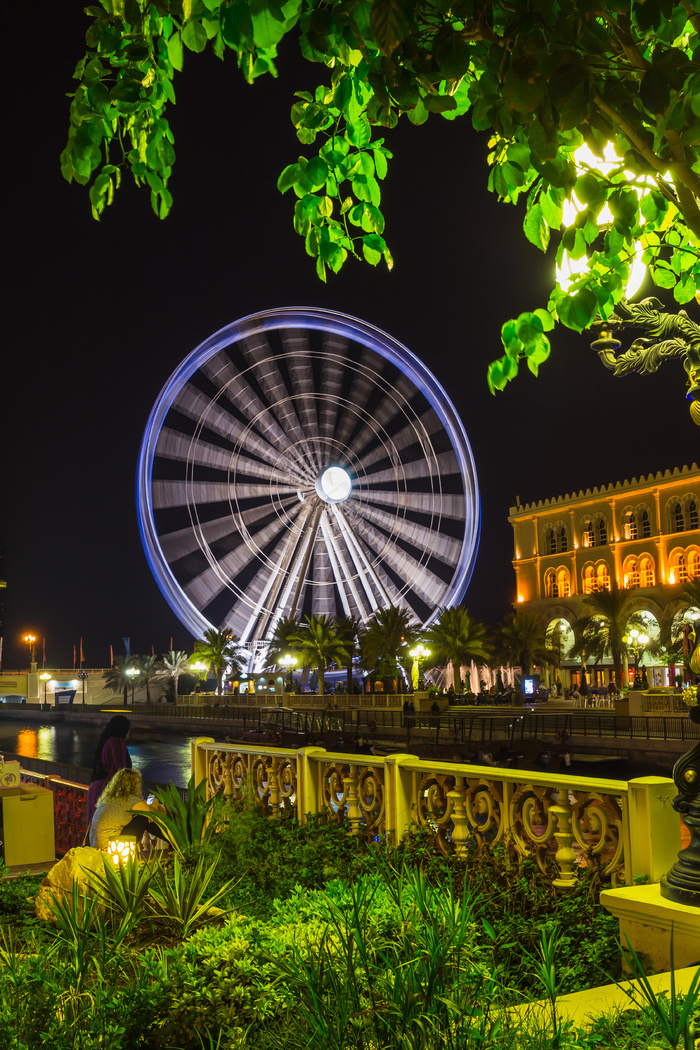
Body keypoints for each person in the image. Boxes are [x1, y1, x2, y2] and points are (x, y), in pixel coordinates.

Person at [88, 767, 162, 850]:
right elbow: (153, 814)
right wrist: (154, 804)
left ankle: (173, 843)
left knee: (142, 817)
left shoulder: (107, 800)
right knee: (143, 818)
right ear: (135, 784)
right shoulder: (129, 799)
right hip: (111, 848)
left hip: (96, 847)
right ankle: (174, 843)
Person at [86, 715, 132, 826]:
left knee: (95, 831)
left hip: (98, 790)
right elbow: (122, 771)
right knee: (108, 829)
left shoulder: (107, 741)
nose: (129, 731)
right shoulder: (117, 742)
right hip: (107, 792)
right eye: (128, 727)